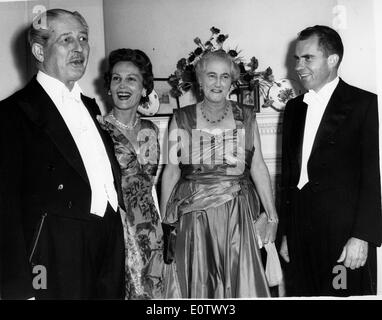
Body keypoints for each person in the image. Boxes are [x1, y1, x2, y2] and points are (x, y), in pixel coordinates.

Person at [0, 9, 125, 299]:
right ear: (39, 51)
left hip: (107, 240)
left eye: (83, 38)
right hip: (54, 251)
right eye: (66, 39)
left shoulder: (91, 107)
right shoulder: (12, 114)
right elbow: (4, 207)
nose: (79, 47)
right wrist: (20, 288)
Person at [160, 50, 278, 298]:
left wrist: (272, 214)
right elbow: (170, 172)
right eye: (211, 76)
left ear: (232, 82)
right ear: (200, 81)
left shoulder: (246, 116)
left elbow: (257, 166)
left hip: (238, 215)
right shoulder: (180, 118)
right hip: (194, 218)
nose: (218, 83)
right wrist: (166, 224)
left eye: (225, 76)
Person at [279, 25, 382, 296]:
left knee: (341, 295)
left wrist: (362, 236)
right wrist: (286, 234)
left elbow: (372, 177)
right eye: (296, 59)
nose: (299, 66)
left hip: (343, 237)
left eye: (307, 58)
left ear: (333, 59)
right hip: (299, 235)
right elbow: (288, 176)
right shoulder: (293, 108)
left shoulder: (364, 104)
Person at [99, 48, 164, 299]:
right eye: (116, 78)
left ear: (145, 88)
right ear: (108, 86)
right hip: (116, 228)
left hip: (150, 228)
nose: (122, 85)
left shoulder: (151, 129)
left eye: (131, 79)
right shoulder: (98, 129)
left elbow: (151, 185)